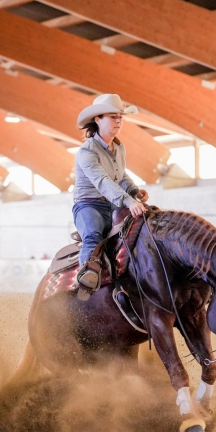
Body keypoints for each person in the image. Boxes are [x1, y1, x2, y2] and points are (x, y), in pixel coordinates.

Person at [73, 93, 148, 290]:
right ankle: (86, 278)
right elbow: (102, 181)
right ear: (97, 119)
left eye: (120, 117)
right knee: (92, 234)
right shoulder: (87, 151)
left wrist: (134, 192)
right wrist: (129, 201)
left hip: (113, 203)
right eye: (113, 117)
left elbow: (120, 176)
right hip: (89, 205)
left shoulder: (119, 147)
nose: (118, 121)